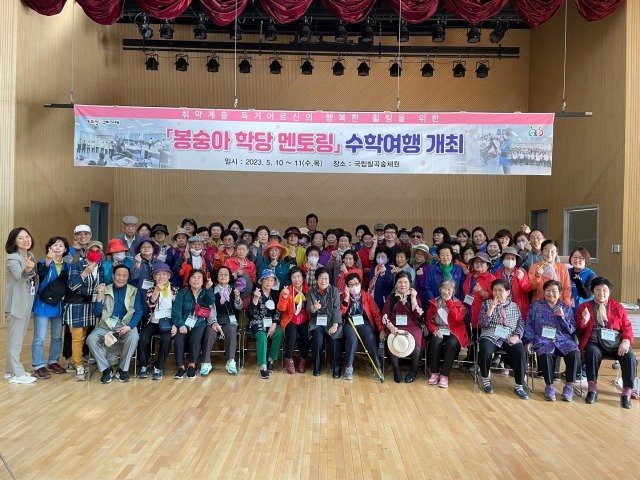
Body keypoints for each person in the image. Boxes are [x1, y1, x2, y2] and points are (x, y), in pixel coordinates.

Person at [576, 277, 637, 408]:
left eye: (604, 290)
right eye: (597, 289)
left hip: (616, 344)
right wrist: (584, 321)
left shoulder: (618, 307)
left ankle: (626, 392)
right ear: (592, 291)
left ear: (609, 291)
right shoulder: (584, 307)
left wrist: (626, 341)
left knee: (630, 357)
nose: (601, 293)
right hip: (594, 342)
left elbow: (627, 327)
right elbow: (578, 330)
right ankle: (592, 389)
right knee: (591, 352)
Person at [524, 280, 580, 402]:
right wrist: (528, 341)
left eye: (554, 291)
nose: (550, 293)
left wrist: (562, 317)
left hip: (563, 340)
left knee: (575, 352)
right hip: (542, 339)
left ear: (560, 293)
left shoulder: (566, 308)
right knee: (545, 353)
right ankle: (549, 386)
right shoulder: (535, 306)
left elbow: (571, 330)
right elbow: (529, 324)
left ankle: (569, 386)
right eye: (547, 290)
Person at [87, 265, 142, 384]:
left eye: (124, 276)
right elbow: (97, 313)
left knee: (133, 337)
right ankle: (106, 369)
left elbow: (138, 311)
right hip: (106, 325)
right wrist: (99, 295)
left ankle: (123, 369)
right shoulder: (105, 289)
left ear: (128, 277)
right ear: (113, 276)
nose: (121, 278)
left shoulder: (134, 290)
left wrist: (129, 327)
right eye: (118, 275)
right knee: (91, 339)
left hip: (126, 324)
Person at [478, 279, 529, 399]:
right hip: (490, 334)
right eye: (495, 290)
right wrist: (490, 309)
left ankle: (519, 385)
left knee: (520, 351)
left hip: (509, 335)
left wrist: (517, 336)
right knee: (485, 348)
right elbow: (482, 323)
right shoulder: (486, 304)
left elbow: (520, 323)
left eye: (500, 290)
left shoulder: (514, 306)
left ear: (508, 292)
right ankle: (485, 379)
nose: (497, 293)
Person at [64, 240, 105, 381]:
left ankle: (79, 360)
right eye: (92, 250)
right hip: (76, 304)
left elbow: (100, 285)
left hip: (91, 304)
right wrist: (85, 273)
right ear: (86, 251)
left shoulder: (100, 267)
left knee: (86, 334)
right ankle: (78, 364)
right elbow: (72, 285)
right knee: (77, 336)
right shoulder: (77, 264)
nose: (95, 253)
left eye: (98, 251)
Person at [31, 236, 71, 379]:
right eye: (55, 245)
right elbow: (41, 275)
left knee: (57, 336)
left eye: (61, 245)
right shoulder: (42, 263)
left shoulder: (68, 267)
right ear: (49, 248)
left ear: (65, 250)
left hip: (58, 305)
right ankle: (38, 365)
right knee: (40, 337)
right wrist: (48, 260)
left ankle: (53, 361)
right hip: (42, 304)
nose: (57, 247)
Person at [4, 227, 38, 384]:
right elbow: (20, 276)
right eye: (20, 238)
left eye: (27, 236)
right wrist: (28, 269)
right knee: (15, 341)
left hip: (27, 303)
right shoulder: (12, 258)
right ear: (14, 242)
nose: (25, 240)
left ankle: (10, 372)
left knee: (16, 340)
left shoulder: (30, 255)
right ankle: (18, 374)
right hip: (16, 305)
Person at [171, 269, 215, 379]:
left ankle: (192, 364)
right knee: (178, 340)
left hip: (199, 323)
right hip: (184, 323)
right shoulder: (183, 292)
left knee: (195, 339)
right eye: (193, 277)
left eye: (199, 278)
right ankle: (181, 366)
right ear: (189, 280)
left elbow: (211, 301)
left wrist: (208, 289)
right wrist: (180, 324)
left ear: (203, 280)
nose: (196, 280)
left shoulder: (205, 291)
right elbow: (176, 310)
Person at [340, 272, 385, 380]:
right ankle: (349, 367)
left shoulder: (366, 296)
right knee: (352, 340)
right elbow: (340, 313)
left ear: (360, 283)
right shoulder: (342, 296)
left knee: (370, 337)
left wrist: (381, 329)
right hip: (349, 322)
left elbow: (376, 314)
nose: (354, 286)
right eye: (351, 285)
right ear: (347, 286)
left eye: (356, 283)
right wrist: (346, 298)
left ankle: (377, 367)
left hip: (363, 322)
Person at [137, 263, 178, 380]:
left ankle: (159, 367)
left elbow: (178, 309)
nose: (161, 277)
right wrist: (157, 291)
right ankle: (144, 365)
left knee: (166, 339)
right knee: (143, 337)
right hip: (153, 321)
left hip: (168, 322)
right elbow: (150, 303)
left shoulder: (175, 290)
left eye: (164, 274)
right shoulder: (150, 289)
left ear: (169, 276)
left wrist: (175, 325)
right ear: (154, 277)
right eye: (158, 274)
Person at [382, 272, 424, 383]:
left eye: (405, 282)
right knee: (392, 339)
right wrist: (391, 327)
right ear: (395, 284)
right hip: (395, 326)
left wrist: (413, 299)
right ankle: (396, 370)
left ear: (410, 284)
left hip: (412, 326)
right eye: (400, 282)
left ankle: (414, 370)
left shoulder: (414, 297)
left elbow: (419, 315)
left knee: (417, 340)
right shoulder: (390, 298)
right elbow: (385, 316)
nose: (403, 285)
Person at [425, 279, 468, 388]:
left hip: (454, 330)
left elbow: (458, 318)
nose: (446, 291)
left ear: (453, 291)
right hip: (439, 328)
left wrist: (449, 302)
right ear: (440, 289)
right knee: (436, 340)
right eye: (444, 288)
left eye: (449, 289)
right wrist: (434, 329)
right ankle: (434, 372)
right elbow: (428, 319)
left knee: (452, 344)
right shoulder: (434, 302)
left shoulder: (458, 303)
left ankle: (444, 375)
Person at [201, 267, 242, 376]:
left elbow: (239, 307)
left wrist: (237, 298)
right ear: (217, 277)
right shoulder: (212, 290)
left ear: (229, 277)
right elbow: (209, 309)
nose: (223, 276)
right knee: (209, 333)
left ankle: (230, 361)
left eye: (226, 274)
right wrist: (214, 322)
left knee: (232, 331)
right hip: (214, 319)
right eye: (221, 274)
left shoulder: (234, 290)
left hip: (229, 320)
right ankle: (206, 362)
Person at [307, 267, 343, 378]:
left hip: (332, 321)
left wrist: (335, 324)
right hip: (317, 321)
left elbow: (337, 309)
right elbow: (309, 309)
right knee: (318, 339)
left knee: (335, 339)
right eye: (321, 278)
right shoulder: (311, 292)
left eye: (326, 278)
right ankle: (317, 368)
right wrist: (314, 308)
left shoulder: (334, 290)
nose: (324, 281)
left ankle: (336, 369)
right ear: (316, 279)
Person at [248, 269, 283, 379]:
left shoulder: (275, 294)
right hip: (257, 322)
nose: (269, 282)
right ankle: (263, 366)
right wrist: (256, 298)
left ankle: (270, 360)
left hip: (271, 322)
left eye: (272, 280)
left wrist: (274, 324)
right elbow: (251, 313)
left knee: (279, 333)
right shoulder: (255, 293)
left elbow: (278, 311)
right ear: (262, 281)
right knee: (262, 337)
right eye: (266, 279)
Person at [461, 252, 495, 361]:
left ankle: (477, 361)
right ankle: (470, 357)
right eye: (476, 262)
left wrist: (481, 292)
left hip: (482, 313)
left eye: (482, 262)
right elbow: (464, 292)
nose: (478, 264)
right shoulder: (470, 277)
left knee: (479, 337)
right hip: (469, 312)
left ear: (488, 265)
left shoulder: (492, 278)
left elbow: (493, 296)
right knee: (471, 336)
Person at [278, 267, 311, 374]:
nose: (296, 279)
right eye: (294, 277)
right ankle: (288, 358)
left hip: (305, 319)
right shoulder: (286, 290)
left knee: (306, 334)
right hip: (290, 318)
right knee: (291, 333)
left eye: (298, 276)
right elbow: (281, 309)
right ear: (290, 279)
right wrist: (284, 297)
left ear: (303, 277)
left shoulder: (308, 290)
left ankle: (303, 359)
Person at [528, 240, 571, 305]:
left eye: (553, 251)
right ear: (541, 252)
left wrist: (566, 303)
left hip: (559, 304)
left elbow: (566, 287)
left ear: (557, 253)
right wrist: (537, 276)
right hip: (539, 304)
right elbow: (531, 287)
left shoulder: (562, 267)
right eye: (546, 251)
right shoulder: (534, 267)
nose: (549, 254)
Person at [493, 247, 530, 320]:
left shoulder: (521, 272)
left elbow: (527, 289)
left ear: (516, 261)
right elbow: (493, 291)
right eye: (507, 258)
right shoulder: (496, 274)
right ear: (503, 260)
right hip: (501, 308)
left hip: (518, 308)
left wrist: (521, 279)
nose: (510, 260)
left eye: (513, 259)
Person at [568, 246, 596, 312]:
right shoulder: (566, 272)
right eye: (574, 257)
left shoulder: (591, 275)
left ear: (586, 260)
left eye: (581, 258)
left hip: (584, 310)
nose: (577, 260)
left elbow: (587, 295)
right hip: (567, 310)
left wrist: (579, 282)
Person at [368, 245, 394, 311]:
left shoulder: (390, 270)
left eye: (383, 256)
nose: (380, 258)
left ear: (388, 259)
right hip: (372, 298)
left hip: (383, 301)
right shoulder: (373, 269)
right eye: (378, 256)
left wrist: (383, 275)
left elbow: (389, 286)